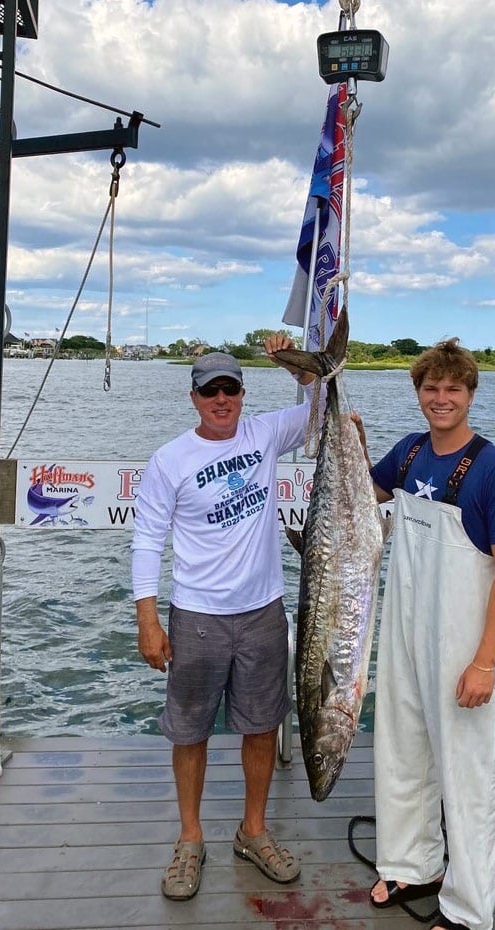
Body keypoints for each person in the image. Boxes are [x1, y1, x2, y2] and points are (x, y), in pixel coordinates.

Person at [132, 338, 318, 901]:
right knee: (189, 732)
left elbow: (318, 412)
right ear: (193, 397)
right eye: (209, 389)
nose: (221, 398)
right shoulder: (170, 459)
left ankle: (252, 831)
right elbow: (146, 540)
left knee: (261, 726)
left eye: (230, 388)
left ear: (242, 393)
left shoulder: (265, 434)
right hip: (197, 615)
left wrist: (299, 366)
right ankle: (191, 838)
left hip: (263, 610)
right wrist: (148, 617)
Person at [361, 338, 495, 930]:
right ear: (418, 393)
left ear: (470, 394)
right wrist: (333, 423)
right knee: (401, 748)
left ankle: (467, 908)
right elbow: (362, 494)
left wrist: (484, 662)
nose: (441, 399)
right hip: (405, 630)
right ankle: (412, 864)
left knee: (465, 772)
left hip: (463, 641)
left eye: (452, 389)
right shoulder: (406, 454)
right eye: (430, 389)